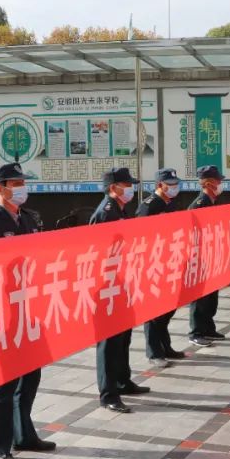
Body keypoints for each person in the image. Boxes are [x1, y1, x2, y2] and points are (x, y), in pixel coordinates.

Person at [0, 163, 55, 459]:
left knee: (30, 376)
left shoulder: (29, 219)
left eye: (22, 182)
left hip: (28, 311)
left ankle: (24, 435)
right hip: (2, 316)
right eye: (15, 183)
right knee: (2, 384)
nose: (21, 188)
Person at [90, 168, 150, 413]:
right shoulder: (106, 213)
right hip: (107, 287)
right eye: (126, 185)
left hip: (122, 283)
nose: (130, 189)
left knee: (123, 337)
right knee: (109, 342)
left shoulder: (119, 209)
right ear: (113, 188)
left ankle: (123, 381)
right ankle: (108, 394)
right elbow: (99, 253)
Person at [137, 168, 188, 367]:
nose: (175, 187)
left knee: (168, 309)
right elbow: (140, 237)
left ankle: (166, 347)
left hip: (170, 262)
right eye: (171, 184)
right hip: (153, 265)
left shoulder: (171, 203)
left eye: (176, 184)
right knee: (154, 311)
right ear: (160, 185)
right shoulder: (148, 206)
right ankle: (154, 352)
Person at [188, 165, 226, 346]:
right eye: (218, 181)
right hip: (201, 258)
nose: (220, 184)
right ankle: (196, 332)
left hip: (212, 256)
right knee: (200, 297)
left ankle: (208, 328)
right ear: (209, 183)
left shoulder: (211, 202)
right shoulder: (199, 204)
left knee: (211, 297)